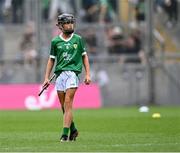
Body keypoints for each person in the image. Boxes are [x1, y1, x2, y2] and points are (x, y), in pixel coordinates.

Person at [42, 13, 91, 142]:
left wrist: (87, 74)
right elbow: (51, 60)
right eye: (67, 23)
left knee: (68, 101)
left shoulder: (78, 39)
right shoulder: (55, 41)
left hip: (73, 74)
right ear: (61, 26)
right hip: (59, 76)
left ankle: (64, 135)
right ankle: (73, 130)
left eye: (71, 22)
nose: (70, 25)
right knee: (64, 106)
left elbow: (84, 56)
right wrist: (46, 77)